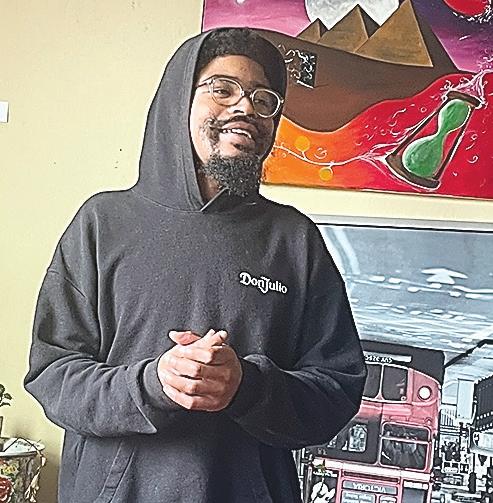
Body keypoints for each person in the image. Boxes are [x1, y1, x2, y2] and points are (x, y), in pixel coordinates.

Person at [25, 27, 367, 503]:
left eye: (263, 99)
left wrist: (246, 386)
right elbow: (53, 374)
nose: (246, 108)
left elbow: (336, 389)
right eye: (222, 89)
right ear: (178, 103)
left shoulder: (294, 239)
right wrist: (153, 384)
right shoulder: (102, 223)